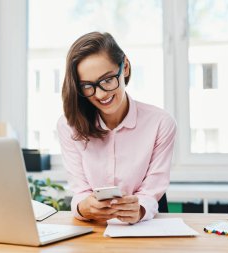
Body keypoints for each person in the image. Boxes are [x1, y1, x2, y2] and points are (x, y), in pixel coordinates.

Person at [57, 31, 177, 224]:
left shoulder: (161, 123)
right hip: (95, 231)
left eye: (107, 80)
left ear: (125, 67)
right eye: (88, 86)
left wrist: (139, 210)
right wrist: (84, 207)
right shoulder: (69, 126)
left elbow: (152, 191)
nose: (100, 94)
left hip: (142, 228)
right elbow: (80, 191)